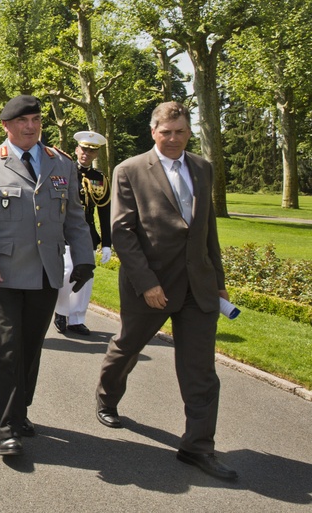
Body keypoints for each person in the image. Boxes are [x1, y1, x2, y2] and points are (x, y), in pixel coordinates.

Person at [96, 102, 237, 481]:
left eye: (181, 131)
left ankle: (197, 447)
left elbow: (208, 231)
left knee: (200, 371)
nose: (174, 139)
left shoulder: (203, 168)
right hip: (150, 285)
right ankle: (107, 397)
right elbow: (123, 233)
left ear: (189, 132)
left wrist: (218, 281)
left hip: (198, 288)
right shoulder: (129, 170)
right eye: (166, 132)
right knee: (127, 347)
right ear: (153, 132)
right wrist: (147, 284)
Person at [0, 94, 94, 457]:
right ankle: (6, 427)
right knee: (6, 347)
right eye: (23, 121)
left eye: (36, 119)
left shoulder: (61, 164)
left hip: (46, 272)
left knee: (31, 347)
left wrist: (83, 259)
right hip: (2, 273)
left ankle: (20, 411)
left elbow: (75, 218)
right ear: (6, 126)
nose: (31, 126)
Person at [54, 130, 112, 336]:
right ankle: (61, 311)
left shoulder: (99, 178)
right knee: (67, 272)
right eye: (84, 149)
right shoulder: (63, 170)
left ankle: (77, 318)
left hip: (87, 234)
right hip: (65, 231)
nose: (86, 154)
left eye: (91, 151)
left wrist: (106, 242)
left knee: (86, 277)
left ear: (96, 154)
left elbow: (105, 211)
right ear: (77, 149)